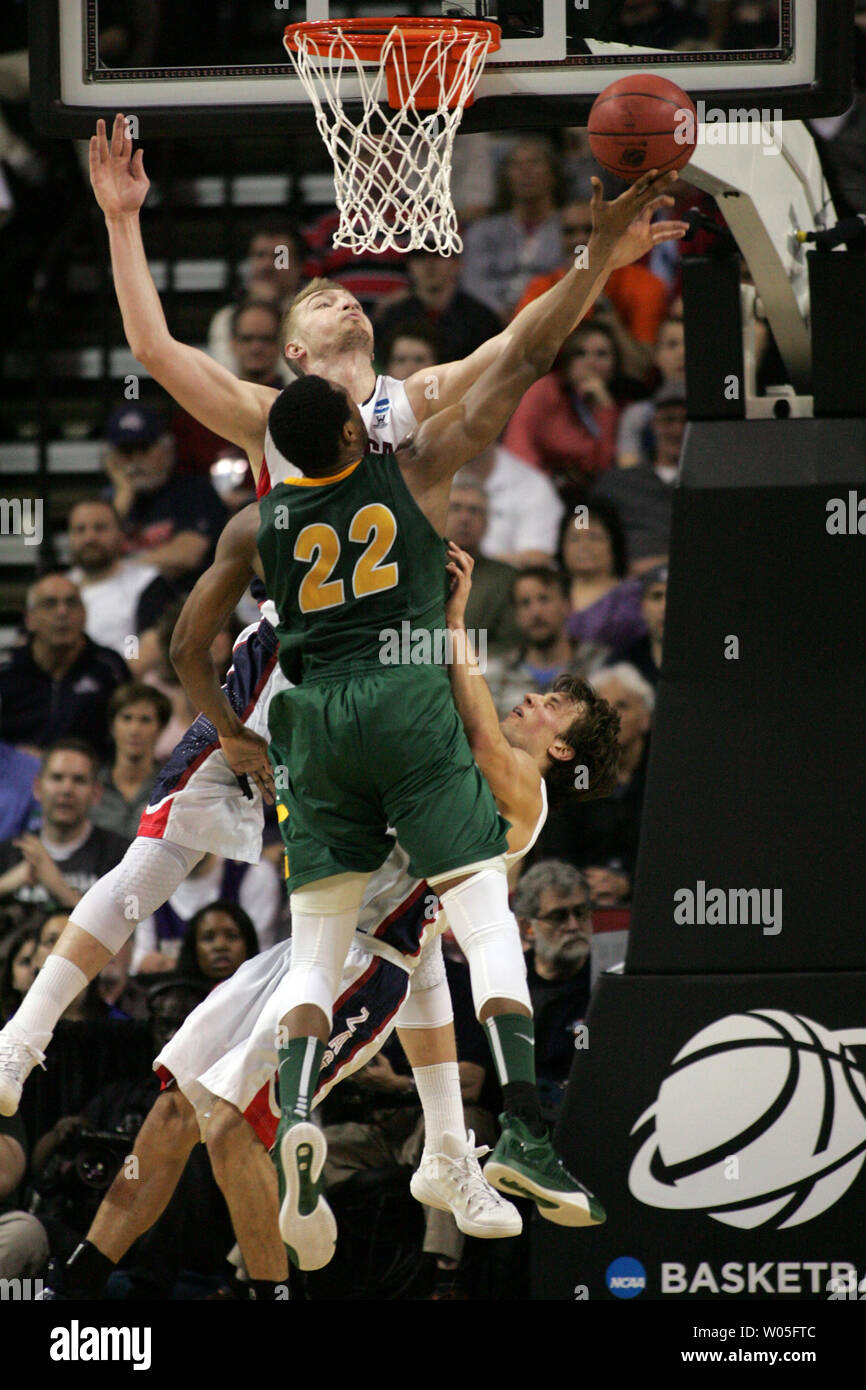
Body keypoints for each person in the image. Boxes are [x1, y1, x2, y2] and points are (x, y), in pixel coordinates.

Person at [33, 536, 619, 1301]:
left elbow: (472, 718)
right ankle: (77, 1282)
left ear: (564, 745)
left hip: (369, 963)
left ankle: (275, 1290)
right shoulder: (450, 750)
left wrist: (449, 613)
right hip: (309, 942)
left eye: (549, 705)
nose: (530, 698)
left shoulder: (525, 796)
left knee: (232, 1125)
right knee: (176, 1107)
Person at [247, 241, 628, 1268]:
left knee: (315, 953)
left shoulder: (266, 516)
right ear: (353, 430)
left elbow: (223, 633)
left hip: (310, 722)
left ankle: (304, 1119)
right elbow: (517, 358)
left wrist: (233, 729)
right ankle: (521, 1129)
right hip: (403, 716)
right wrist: (591, 263)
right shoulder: (410, 465)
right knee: (481, 930)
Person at [86, 111, 685, 509]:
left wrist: (601, 259)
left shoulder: (418, 396)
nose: (344, 299)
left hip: (401, 646)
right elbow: (153, 350)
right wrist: (120, 219)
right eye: (322, 302)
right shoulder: (266, 415)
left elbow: (523, 342)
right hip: (304, 654)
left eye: (349, 298)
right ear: (293, 350)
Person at [513, 199, 670, 379]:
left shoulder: (645, 284)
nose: (579, 239)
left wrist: (607, 314)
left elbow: (642, 370)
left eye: (590, 230)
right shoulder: (541, 287)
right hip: (558, 390)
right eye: (570, 231)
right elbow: (520, 363)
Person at [0, 573, 130, 759]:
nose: (62, 612)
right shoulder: (5, 668)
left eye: (72, 603)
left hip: (92, 777)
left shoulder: (109, 668)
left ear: (84, 614)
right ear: (30, 620)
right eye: (50, 604)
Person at [103, 404, 227, 585]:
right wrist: (124, 494)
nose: (136, 460)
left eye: (144, 448)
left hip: (183, 598)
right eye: (126, 451)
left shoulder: (194, 490)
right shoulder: (113, 500)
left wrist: (119, 569)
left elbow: (186, 555)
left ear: (167, 448)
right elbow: (95, 553)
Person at [0, 742, 130, 915]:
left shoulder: (122, 857)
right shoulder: (9, 853)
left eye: (79, 780)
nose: (67, 790)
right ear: (37, 788)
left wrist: (58, 885)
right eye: (57, 778)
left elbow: (128, 938)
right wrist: (5, 884)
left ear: (96, 793)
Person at [502, 322, 624, 499]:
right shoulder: (544, 390)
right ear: (568, 360)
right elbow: (519, 445)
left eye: (602, 354)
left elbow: (604, 467)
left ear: (615, 364)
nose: (591, 362)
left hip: (583, 498)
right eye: (580, 353)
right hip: (532, 489)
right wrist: (537, 491)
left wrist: (604, 409)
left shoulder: (615, 406)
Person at [513, 861, 594, 1126]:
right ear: (527, 927)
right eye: (559, 916)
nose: (573, 926)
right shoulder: (508, 981)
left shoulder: (612, 977)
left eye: (581, 913)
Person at [460, 138, 565, 321]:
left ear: (552, 174)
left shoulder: (574, 229)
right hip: (492, 321)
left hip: (552, 317)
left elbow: (583, 267)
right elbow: (473, 281)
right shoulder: (483, 232)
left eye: (535, 163)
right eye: (516, 165)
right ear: (506, 177)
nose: (526, 171)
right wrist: (498, 310)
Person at [485, 568, 609, 720]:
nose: (536, 612)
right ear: (516, 614)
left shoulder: (599, 664)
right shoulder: (495, 673)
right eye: (525, 603)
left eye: (544, 599)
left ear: (567, 605)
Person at [590, 379, 685, 571]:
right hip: (630, 586)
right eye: (668, 420)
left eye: (686, 420)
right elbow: (583, 519)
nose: (678, 430)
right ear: (654, 424)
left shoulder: (715, 483)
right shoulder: (616, 483)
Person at [67, 498, 173, 660]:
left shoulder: (146, 581)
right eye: (80, 530)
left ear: (121, 535)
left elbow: (152, 648)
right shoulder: (59, 588)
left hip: (126, 679)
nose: (90, 538)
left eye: (100, 528)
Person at [374, 250, 502, 362]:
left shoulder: (481, 319)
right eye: (420, 257)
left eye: (439, 255)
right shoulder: (394, 317)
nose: (429, 265)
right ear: (410, 266)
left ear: (457, 264)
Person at [445, 476, 521, 655]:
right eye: (455, 508)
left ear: (487, 523)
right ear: (440, 516)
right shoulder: (416, 571)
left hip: (483, 673)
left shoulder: (507, 578)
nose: (464, 518)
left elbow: (510, 645)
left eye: (474, 511)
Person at [560, 500, 647, 651]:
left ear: (614, 543)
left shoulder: (633, 596)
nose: (584, 546)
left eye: (594, 537)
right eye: (574, 538)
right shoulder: (547, 592)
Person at [89, 682, 172, 841]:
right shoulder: (90, 785)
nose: (134, 730)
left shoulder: (172, 790)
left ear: (160, 728)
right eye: (126, 718)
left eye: (145, 720)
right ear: (113, 726)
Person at [468, 443, 564, 569]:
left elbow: (537, 558)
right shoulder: (436, 473)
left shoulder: (534, 485)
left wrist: (472, 562)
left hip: (506, 582)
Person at [617, 316, 685, 467]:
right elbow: (627, 467)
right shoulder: (638, 414)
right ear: (656, 355)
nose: (682, 353)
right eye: (672, 345)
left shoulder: (718, 410)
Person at [606, 563, 667, 688]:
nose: (665, 607)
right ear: (642, 606)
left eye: (674, 597)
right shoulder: (621, 661)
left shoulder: (708, 661)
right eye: (657, 596)